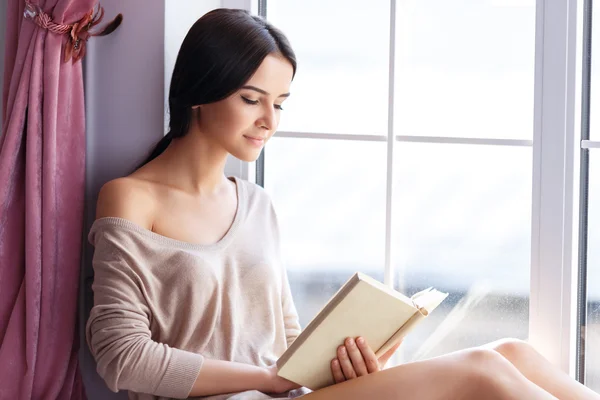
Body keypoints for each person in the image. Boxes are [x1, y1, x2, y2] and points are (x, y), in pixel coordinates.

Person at [85, 8, 600, 400]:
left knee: (515, 353)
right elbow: (122, 357)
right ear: (200, 91)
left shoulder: (256, 204)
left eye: (280, 103)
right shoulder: (131, 197)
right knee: (482, 374)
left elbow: (285, 341)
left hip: (282, 393)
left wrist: (339, 360)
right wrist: (268, 377)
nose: (270, 120)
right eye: (251, 98)